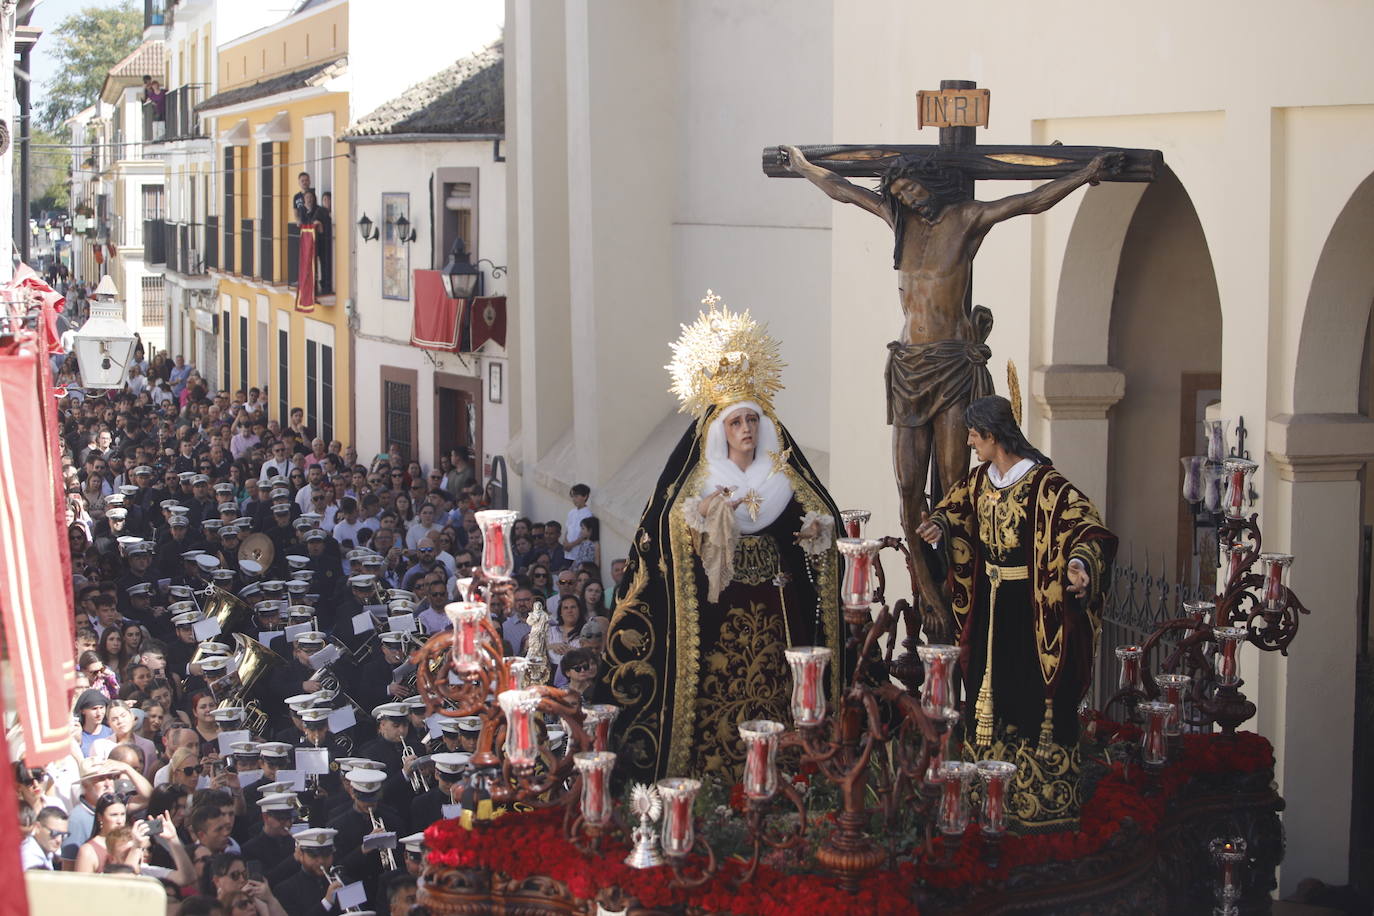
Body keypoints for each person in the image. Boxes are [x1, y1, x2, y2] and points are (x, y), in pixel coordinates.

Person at [783, 145, 1122, 639]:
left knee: (954, 481)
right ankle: (925, 585)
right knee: (906, 484)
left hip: (951, 365)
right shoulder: (901, 223)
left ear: (933, 183)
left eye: (914, 190)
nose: (910, 200)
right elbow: (846, 191)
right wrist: (804, 167)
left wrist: (1085, 173)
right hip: (908, 366)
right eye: (900, 194)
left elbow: (1029, 201)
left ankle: (961, 583)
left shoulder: (966, 218)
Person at [601, 295, 842, 781]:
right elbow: (663, 537)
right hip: (714, 617)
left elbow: (816, 522)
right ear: (719, 429)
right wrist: (708, 518)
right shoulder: (699, 481)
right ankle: (710, 778)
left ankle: (789, 771)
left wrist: (817, 532)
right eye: (736, 421)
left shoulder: (783, 478)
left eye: (752, 419)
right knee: (717, 694)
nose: (747, 428)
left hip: (779, 613)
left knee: (779, 692)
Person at [915, 396, 1117, 758]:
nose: (969, 442)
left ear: (993, 436)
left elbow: (1086, 525)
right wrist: (940, 525)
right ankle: (987, 769)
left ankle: (1031, 775)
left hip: (1029, 605)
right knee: (984, 683)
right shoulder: (979, 480)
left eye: (974, 434)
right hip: (987, 602)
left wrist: (1081, 563)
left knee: (1026, 687)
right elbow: (955, 508)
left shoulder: (1045, 484)